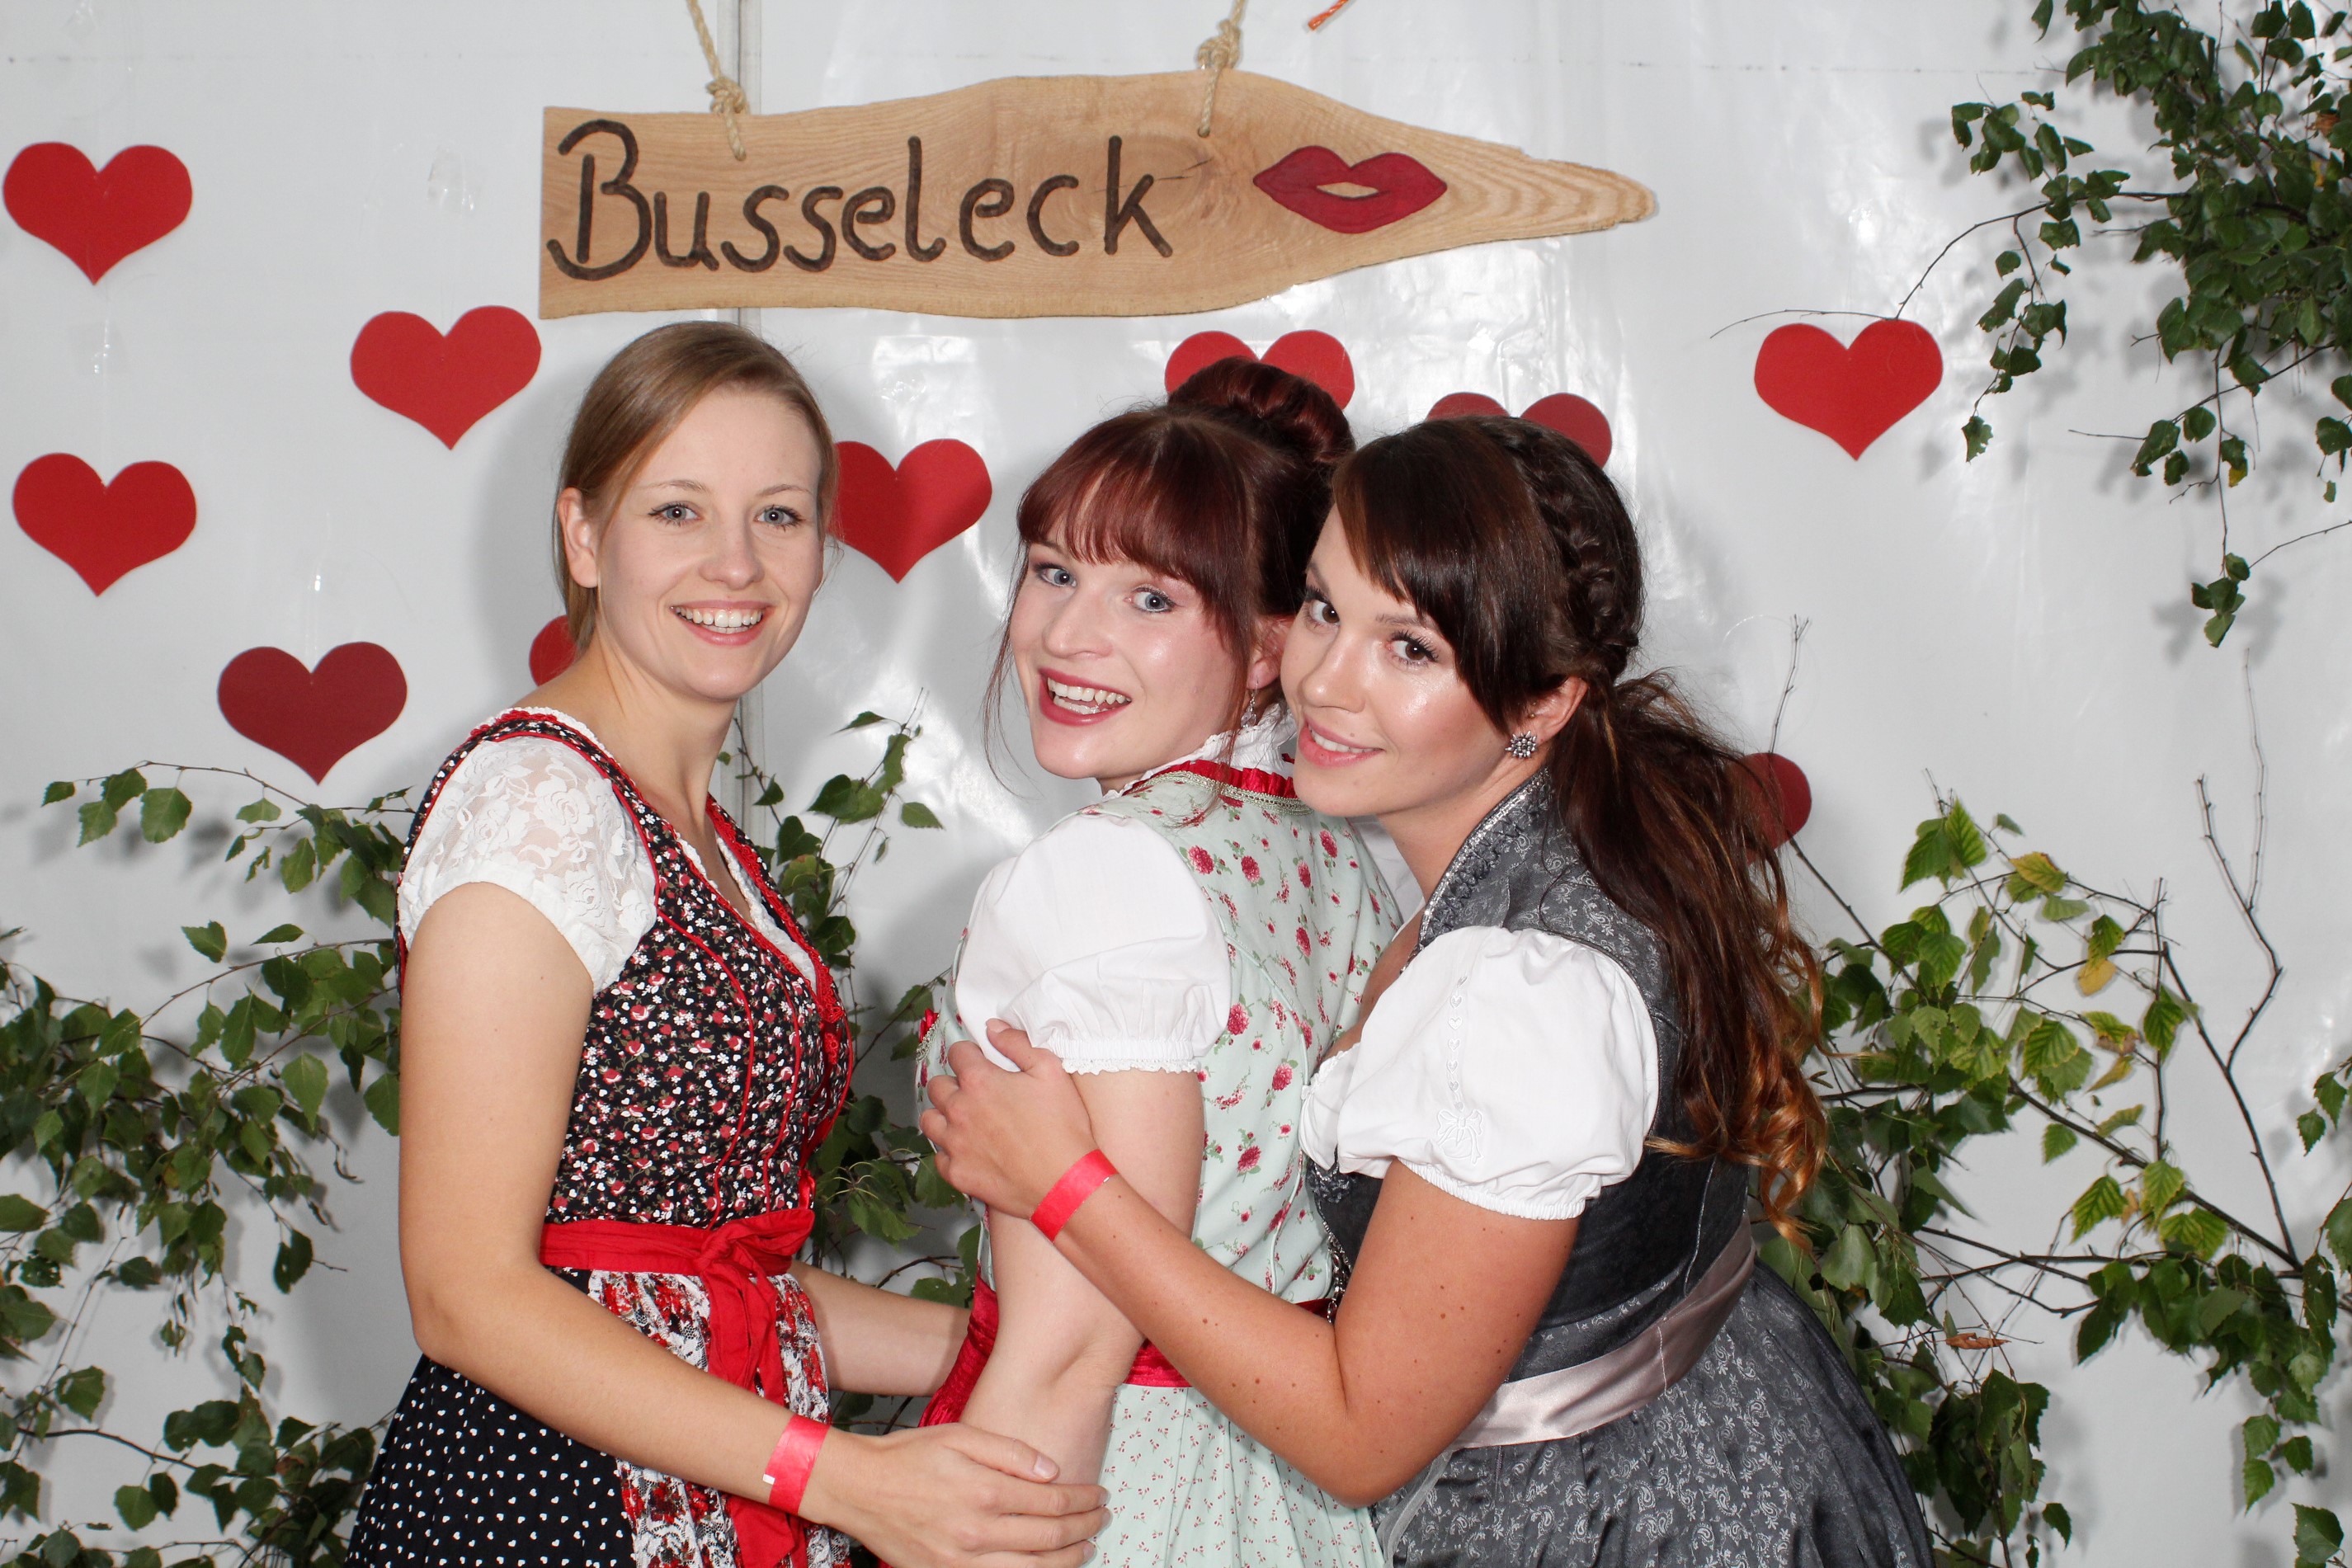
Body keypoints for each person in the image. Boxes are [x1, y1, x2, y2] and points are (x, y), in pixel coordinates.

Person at [920, 415, 1935, 1566]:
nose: (1324, 681)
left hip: (1628, 1517)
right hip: (1723, 1435)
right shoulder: (1501, 856)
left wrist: (1065, 1183)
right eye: (1323, 609)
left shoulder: (1517, 989)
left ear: (1543, 703)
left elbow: (1360, 1438)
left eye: (1409, 648)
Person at [349, 322, 1106, 1568]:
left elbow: (714, 1286)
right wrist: (846, 1478)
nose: (737, 564)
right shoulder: (537, 805)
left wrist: (1043, 1352)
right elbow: (466, 1293)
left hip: (720, 1488)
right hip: (547, 1511)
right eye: (678, 511)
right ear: (584, 536)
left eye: (778, 516)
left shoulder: (698, 836)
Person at [915, 359, 1399, 1566]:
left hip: (1116, 1494)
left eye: (1150, 598)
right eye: (1054, 571)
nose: (1067, 635)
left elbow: (1074, 1354)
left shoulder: (1100, 875)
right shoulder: (1339, 853)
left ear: (1266, 647)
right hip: (1285, 1492)